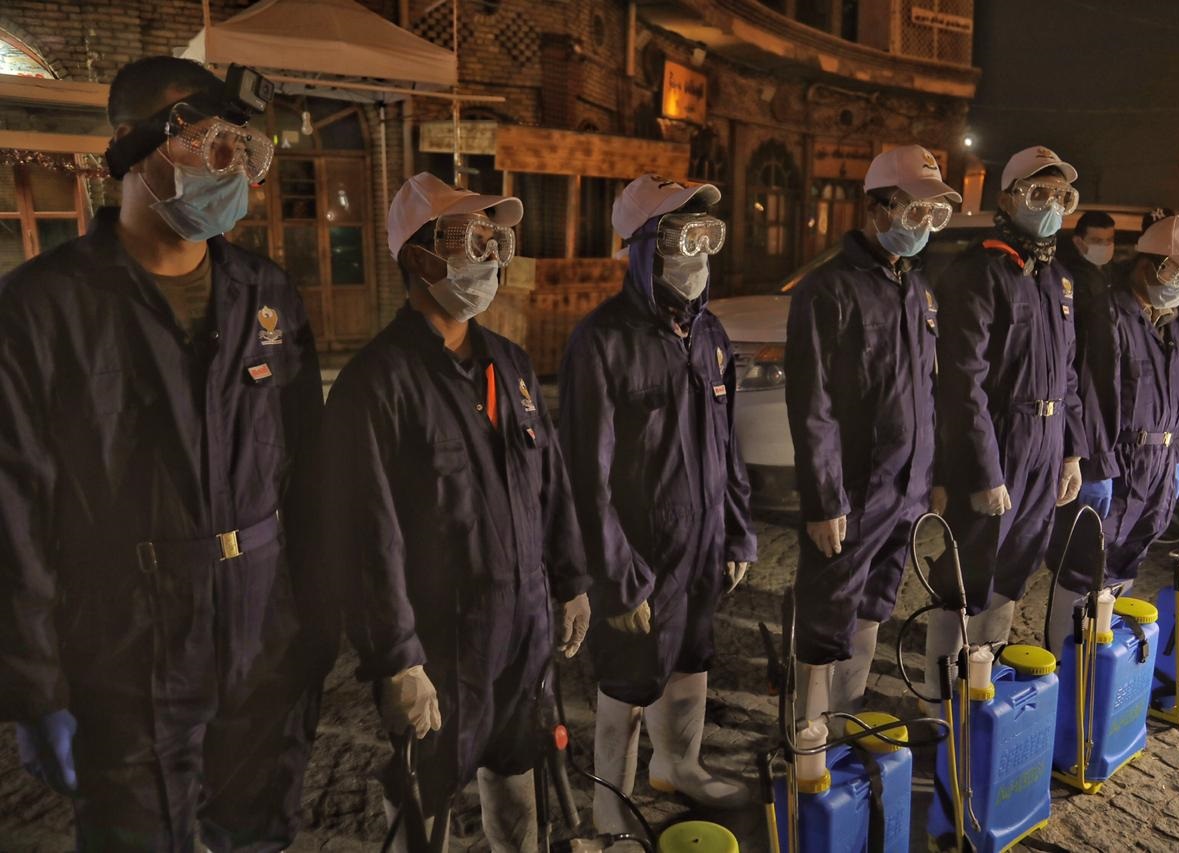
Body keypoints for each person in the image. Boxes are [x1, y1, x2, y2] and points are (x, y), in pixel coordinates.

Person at [0, 57, 324, 849]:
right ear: (131, 146)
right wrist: (38, 685)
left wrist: (319, 623)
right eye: (210, 144)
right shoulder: (44, 308)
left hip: (262, 630)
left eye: (241, 152)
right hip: (123, 648)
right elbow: (13, 508)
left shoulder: (267, 295)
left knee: (257, 833)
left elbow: (310, 470)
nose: (232, 170)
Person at [318, 172, 591, 851]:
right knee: (424, 791)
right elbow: (366, 537)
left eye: (494, 237)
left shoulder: (513, 365)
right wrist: (398, 659)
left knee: (519, 767)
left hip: (523, 628)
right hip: (442, 644)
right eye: (470, 238)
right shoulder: (376, 385)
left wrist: (574, 578)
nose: (490, 254)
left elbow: (550, 483)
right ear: (418, 256)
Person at [558, 174, 757, 832]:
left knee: (695, 654)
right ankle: (610, 810)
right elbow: (587, 471)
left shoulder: (710, 335)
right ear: (644, 246)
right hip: (640, 552)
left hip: (700, 543)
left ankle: (680, 763)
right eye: (681, 235)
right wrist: (615, 578)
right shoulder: (603, 341)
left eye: (707, 235)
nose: (697, 252)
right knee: (630, 680)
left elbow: (727, 447)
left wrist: (736, 533)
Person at [784, 145, 958, 719]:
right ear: (877, 207)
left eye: (935, 214)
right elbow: (813, 404)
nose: (925, 225)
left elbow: (927, 395)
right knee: (826, 615)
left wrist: (931, 477)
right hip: (853, 492)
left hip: (905, 492)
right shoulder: (828, 289)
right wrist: (824, 499)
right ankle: (809, 738)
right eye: (915, 211)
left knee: (873, 608)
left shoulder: (917, 288)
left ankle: (847, 717)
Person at [926, 146, 1086, 697]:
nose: (1049, 206)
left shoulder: (1055, 280)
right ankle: (941, 692)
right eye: (1037, 193)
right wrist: (984, 470)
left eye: (1060, 196)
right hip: (998, 444)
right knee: (967, 574)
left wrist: (1071, 452)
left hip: (1045, 447)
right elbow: (961, 384)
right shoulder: (979, 273)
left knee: (1017, 565)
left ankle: (982, 679)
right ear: (1006, 199)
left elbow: (1067, 375)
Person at [1045, 215, 1179, 653]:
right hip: (1117, 464)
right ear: (1148, 265)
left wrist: (1175, 458)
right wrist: (1093, 464)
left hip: (1158, 466)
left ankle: (1099, 659)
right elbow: (1086, 391)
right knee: (1083, 570)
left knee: (1124, 565)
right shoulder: (1108, 314)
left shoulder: (1168, 323)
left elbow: (1174, 397)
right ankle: (1068, 668)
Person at [1044, 211, 1118, 579]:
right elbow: (1081, 372)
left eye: (1110, 240)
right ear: (1078, 241)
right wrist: (1082, 444)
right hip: (1082, 425)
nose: (1106, 247)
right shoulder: (1069, 282)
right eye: (1098, 240)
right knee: (1074, 542)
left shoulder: (1097, 281)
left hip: (1094, 428)